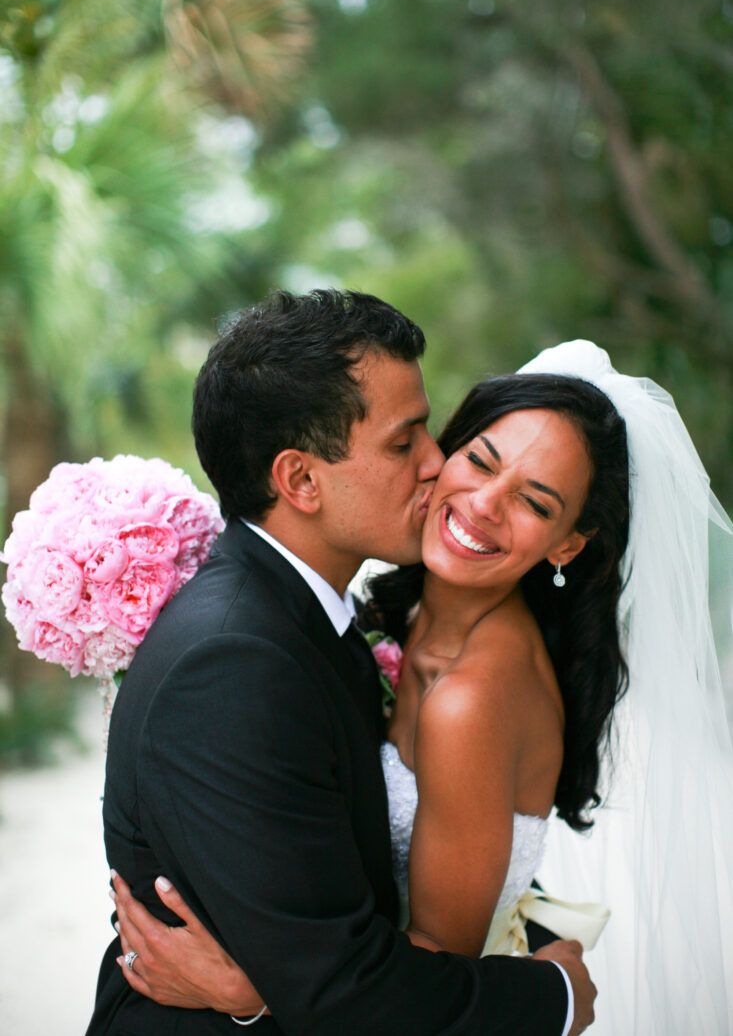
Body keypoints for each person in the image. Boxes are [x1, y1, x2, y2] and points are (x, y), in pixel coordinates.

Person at [110, 339, 733, 1035]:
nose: (485, 504)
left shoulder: (471, 701)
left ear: (566, 543)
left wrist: (256, 987)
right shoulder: (388, 619)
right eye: (479, 460)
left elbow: (438, 957)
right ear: (447, 452)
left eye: (534, 501)